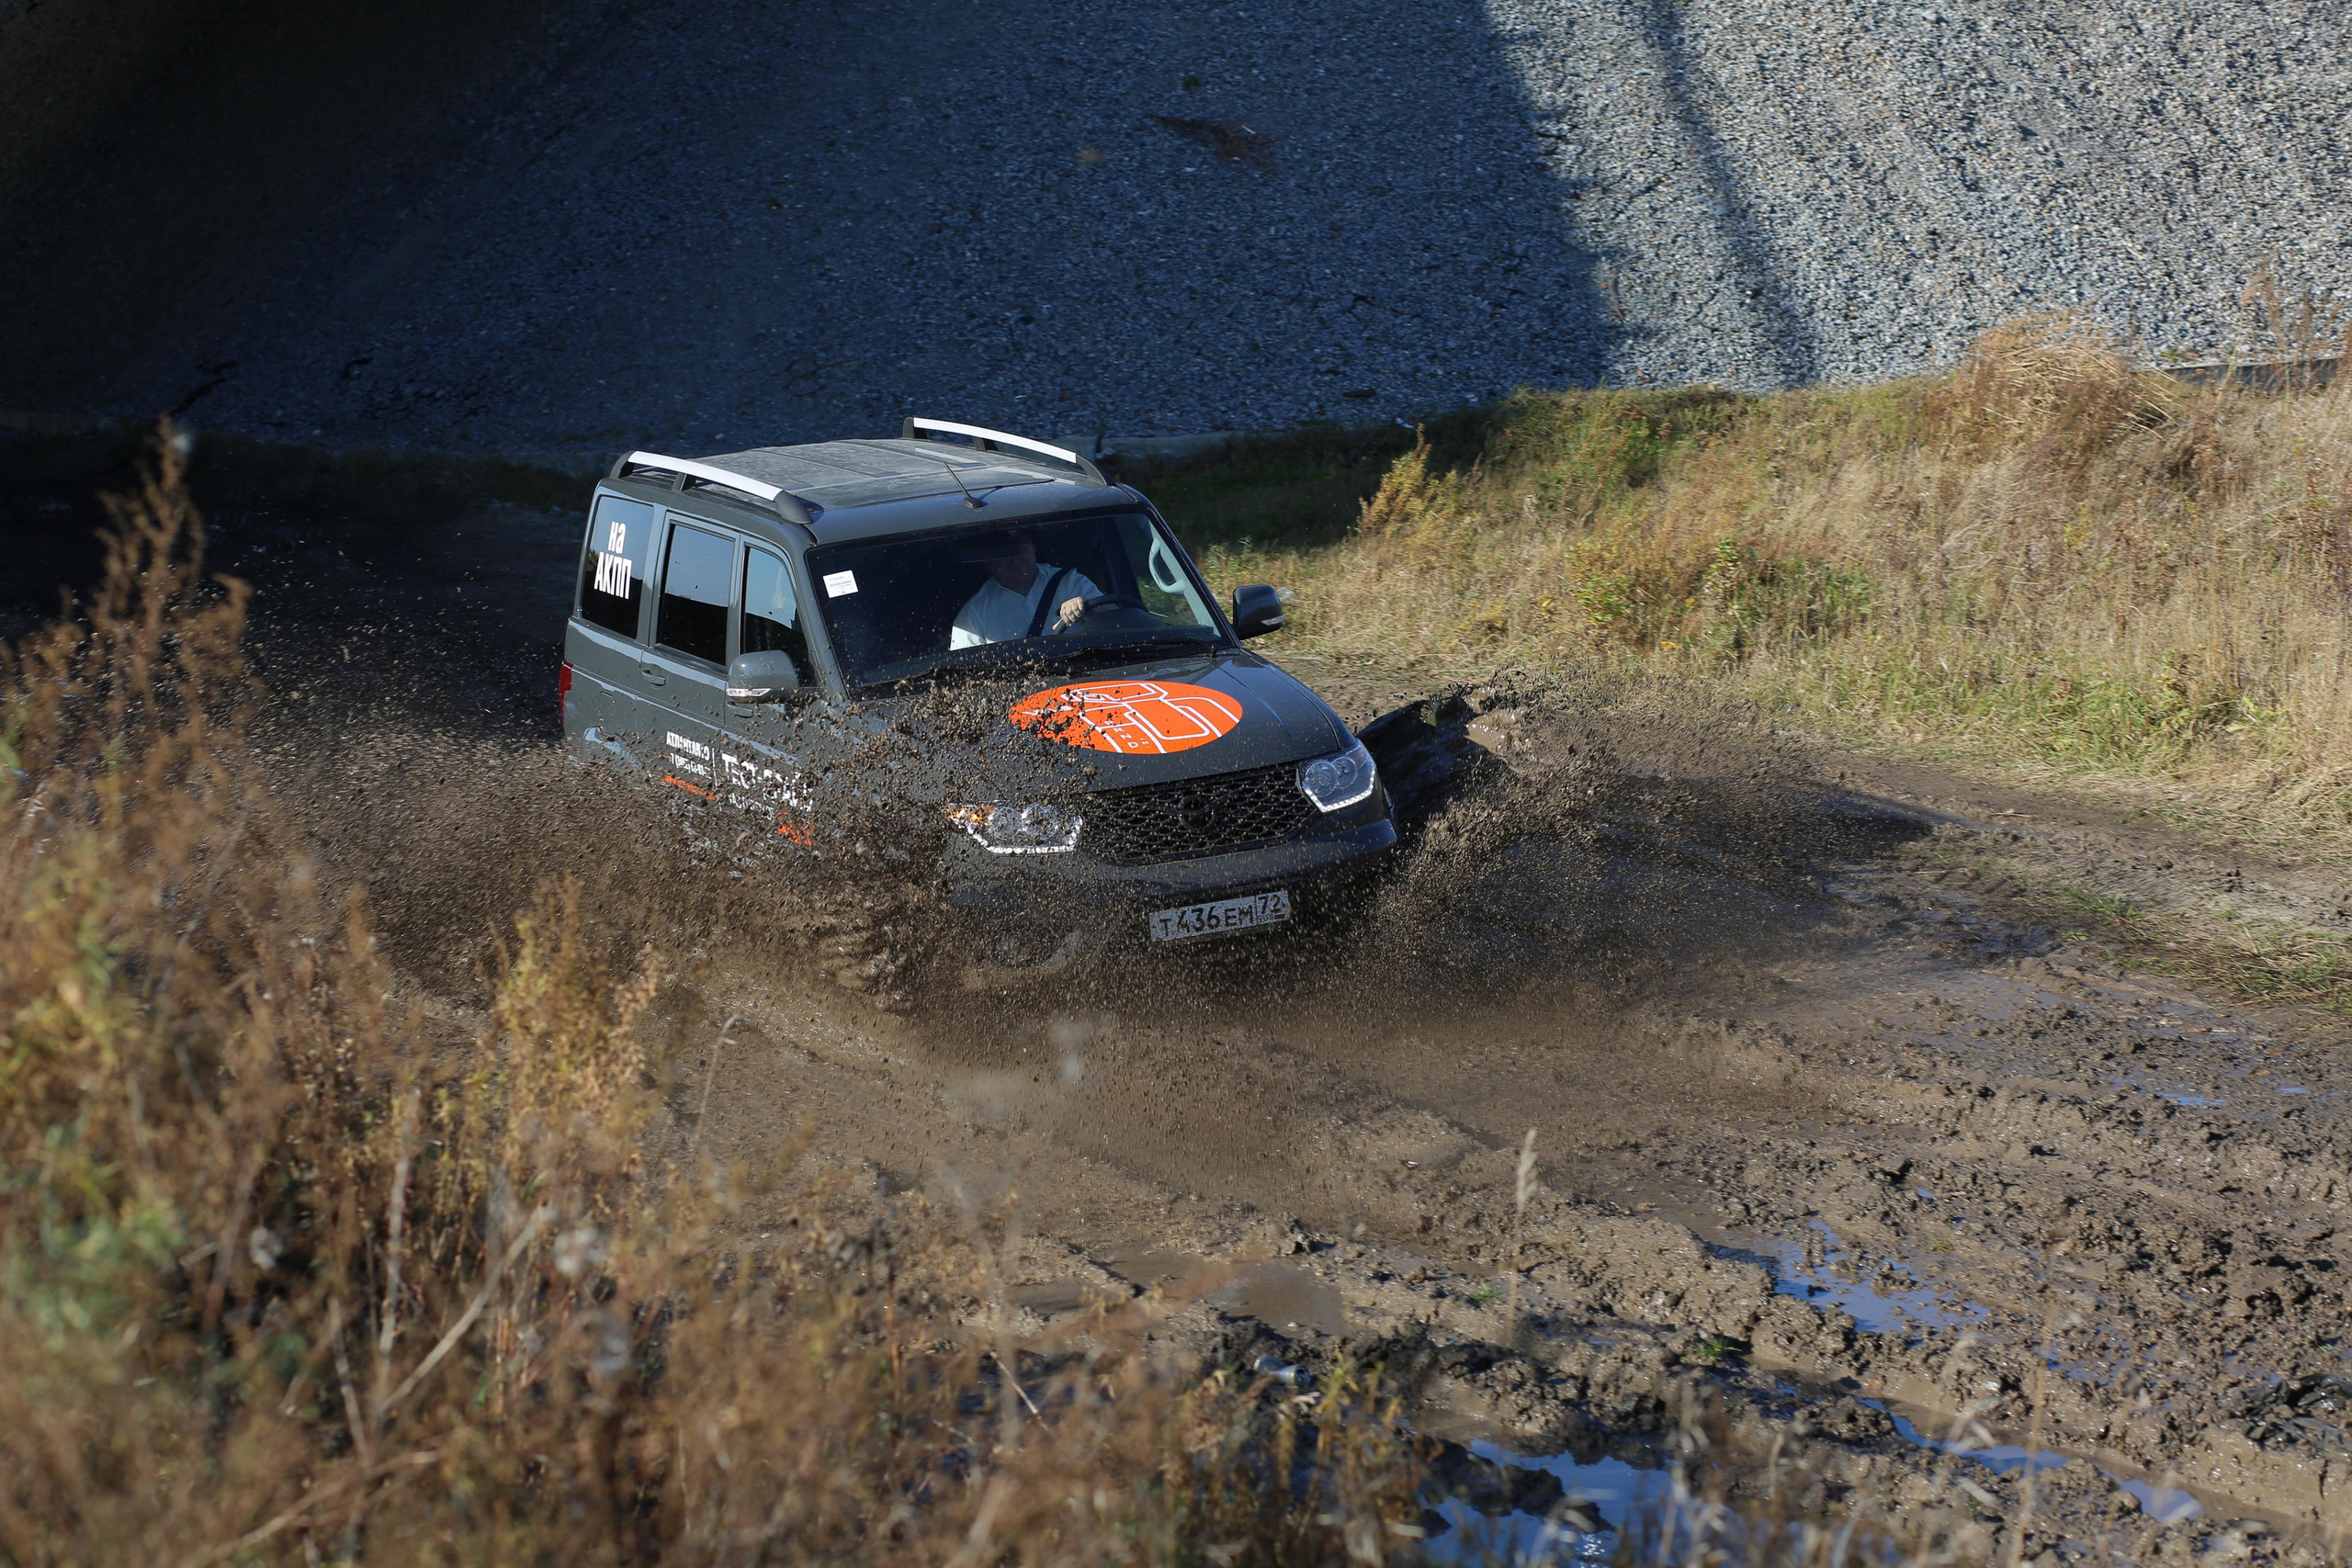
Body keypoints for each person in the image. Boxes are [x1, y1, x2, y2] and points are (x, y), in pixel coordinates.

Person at [949, 531, 1102, 649]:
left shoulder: (1069, 583)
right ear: (987, 563)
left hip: (1085, 680)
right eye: (1004, 553)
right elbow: (964, 674)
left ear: (1034, 547)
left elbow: (1116, 620)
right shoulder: (973, 614)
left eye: (1020, 548)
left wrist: (1087, 606)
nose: (1015, 559)